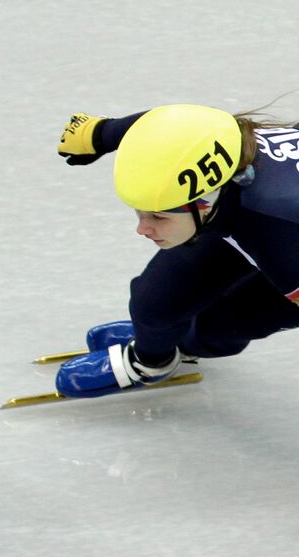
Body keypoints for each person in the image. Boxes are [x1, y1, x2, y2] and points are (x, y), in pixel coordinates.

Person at [53, 104, 299, 397]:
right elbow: (165, 128)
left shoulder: (277, 231)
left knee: (221, 326)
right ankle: (157, 354)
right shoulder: (222, 145)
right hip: (250, 219)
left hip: (285, 244)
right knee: (153, 303)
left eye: (158, 216)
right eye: (140, 213)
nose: (142, 229)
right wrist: (100, 134)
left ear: (203, 200)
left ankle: (178, 349)